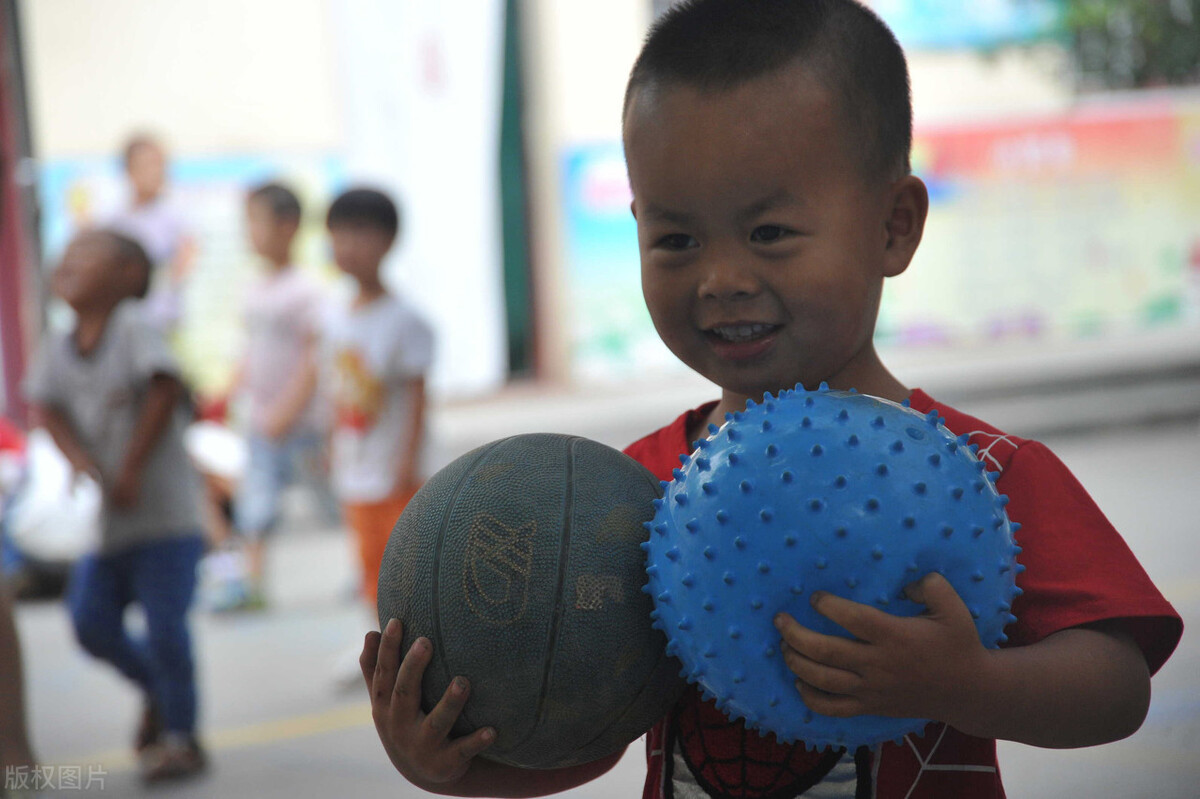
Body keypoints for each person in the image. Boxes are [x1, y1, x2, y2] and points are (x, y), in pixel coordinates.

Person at [357, 1, 1185, 797]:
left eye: (770, 233)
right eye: (675, 239)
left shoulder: (989, 474)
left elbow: (1117, 685)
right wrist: (450, 763)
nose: (721, 279)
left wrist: (971, 684)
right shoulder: (633, 494)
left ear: (893, 226)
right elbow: (590, 726)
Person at [24, 229, 207, 782]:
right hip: (111, 525)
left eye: (86, 253)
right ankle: (156, 685)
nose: (68, 261)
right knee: (89, 621)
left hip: (166, 520)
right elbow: (46, 404)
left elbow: (163, 388)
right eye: (66, 254)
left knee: (167, 628)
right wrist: (78, 458)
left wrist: (128, 467)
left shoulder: (133, 328)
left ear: (129, 274)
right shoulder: (57, 344)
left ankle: (182, 737)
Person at [323, 188, 433, 687]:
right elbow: (337, 391)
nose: (346, 245)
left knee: (402, 569)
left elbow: (416, 398)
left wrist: (407, 461)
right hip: (356, 467)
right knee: (369, 565)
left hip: (392, 471)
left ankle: (410, 654)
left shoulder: (405, 320)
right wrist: (331, 448)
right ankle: (384, 649)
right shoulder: (336, 315)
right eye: (337, 234)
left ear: (388, 241)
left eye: (359, 233)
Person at [220, 182, 334, 611]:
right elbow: (251, 350)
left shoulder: (305, 290)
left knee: (331, 499)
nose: (249, 232)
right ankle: (252, 582)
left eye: (256, 221)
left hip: (302, 425)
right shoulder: (253, 288)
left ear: (288, 226)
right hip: (261, 422)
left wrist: (288, 410)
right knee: (256, 503)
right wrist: (232, 391)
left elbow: (312, 357)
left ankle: (372, 567)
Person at [107, 134, 197, 332]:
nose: (157, 172)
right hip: (124, 323)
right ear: (129, 169)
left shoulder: (177, 216)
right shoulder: (115, 220)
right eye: (149, 164)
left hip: (164, 323)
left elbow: (185, 264)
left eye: (161, 164)